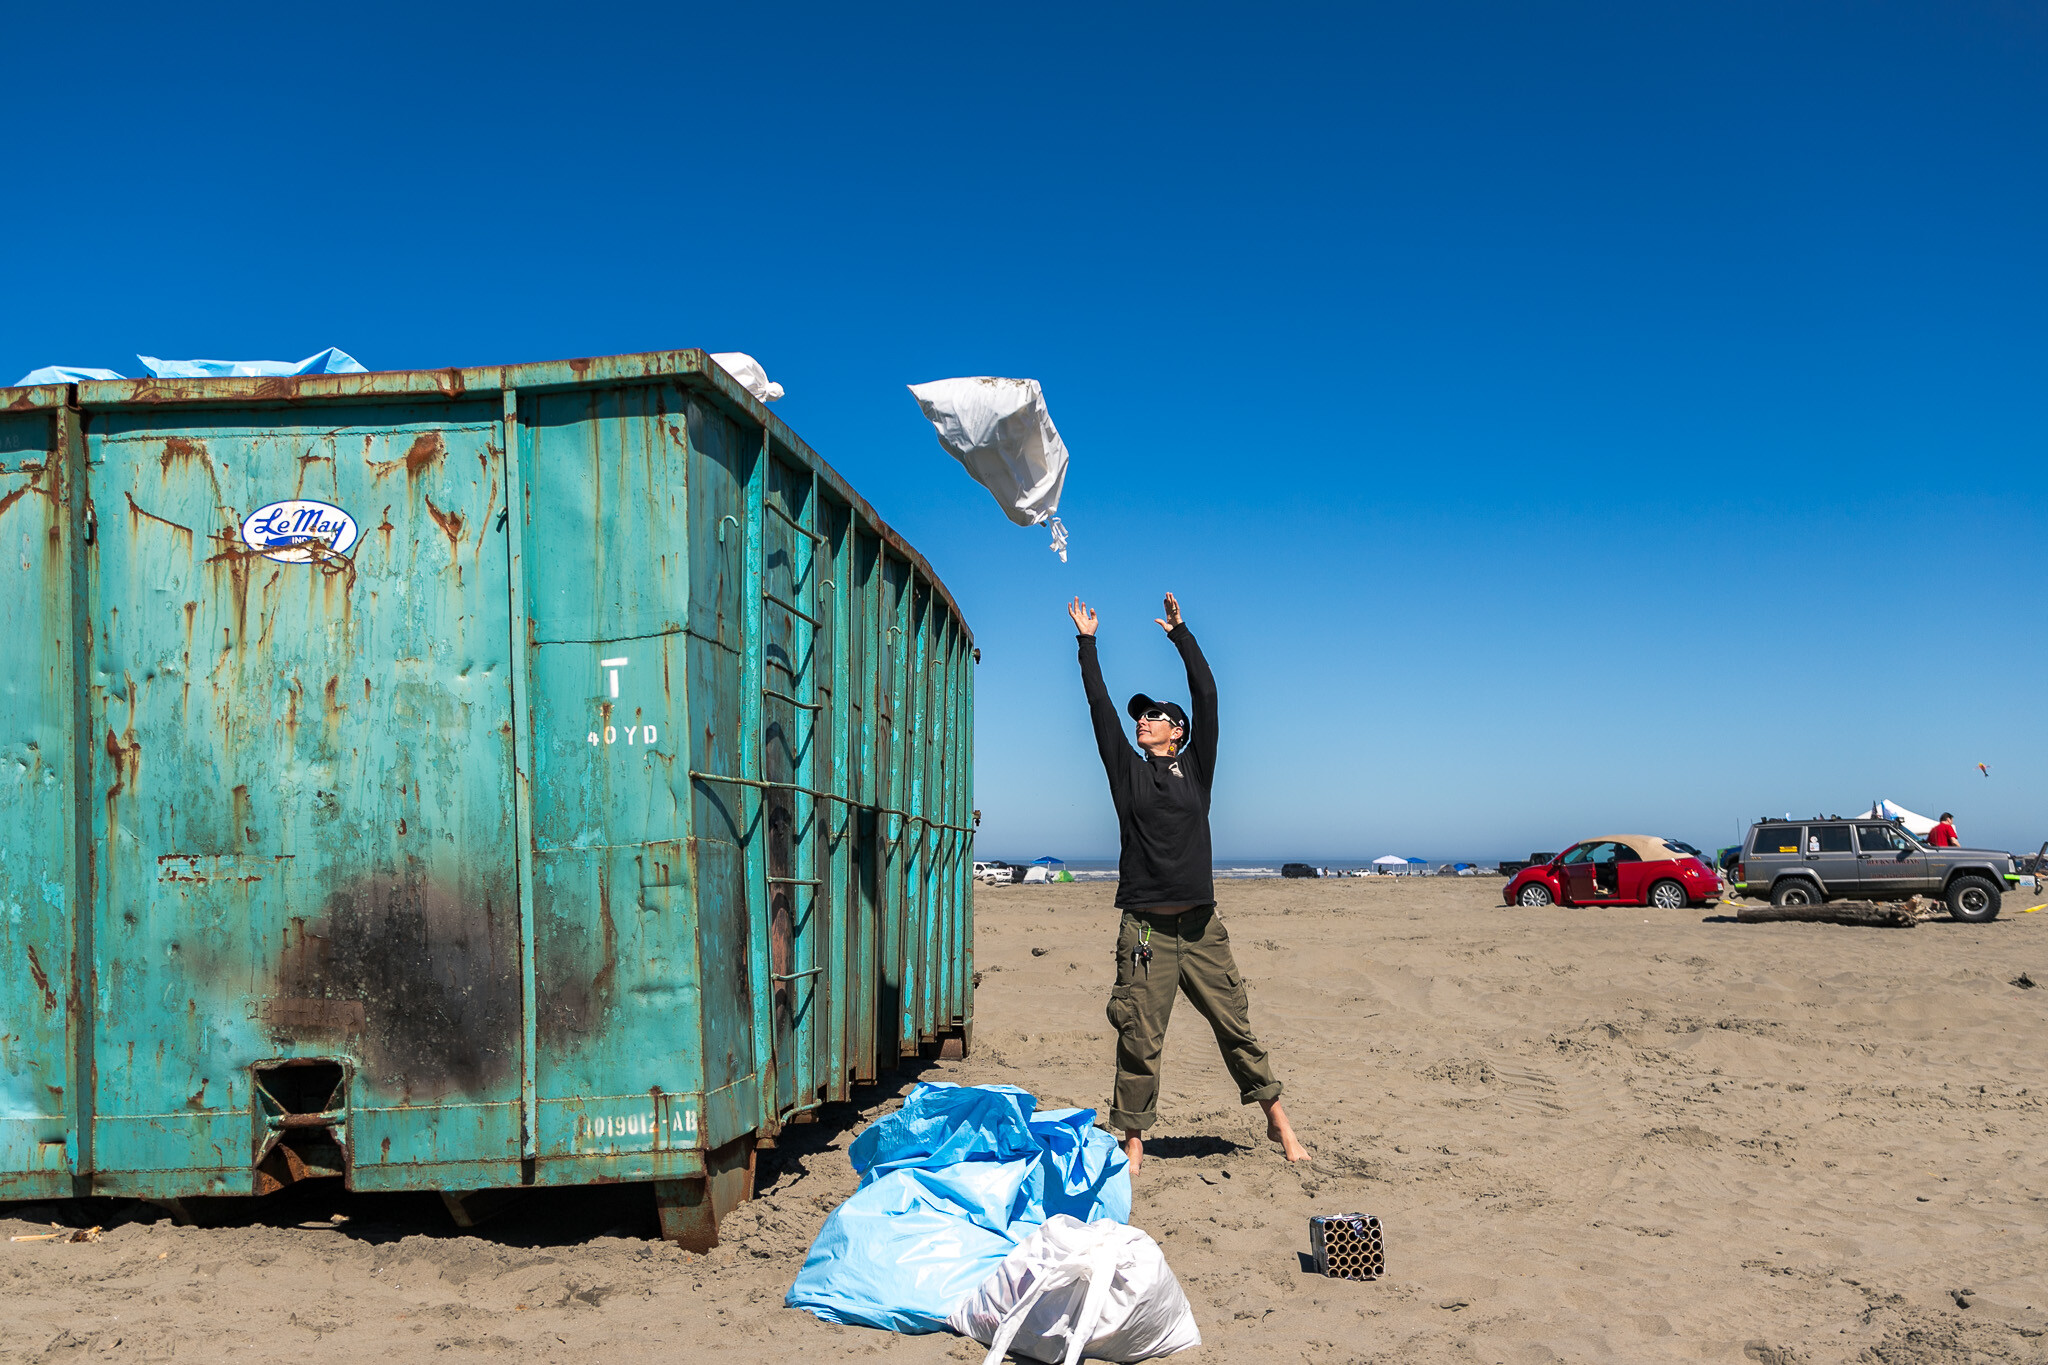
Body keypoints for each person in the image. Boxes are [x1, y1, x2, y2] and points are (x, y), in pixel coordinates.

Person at [1067, 590, 1309, 1176]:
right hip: (1146, 930)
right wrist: (1087, 644)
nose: (1142, 721)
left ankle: (1279, 1123)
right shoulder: (1128, 772)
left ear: (1177, 731)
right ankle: (1132, 1144)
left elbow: (1208, 694)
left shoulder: (1196, 768)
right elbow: (1101, 708)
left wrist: (1181, 634)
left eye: (1154, 716)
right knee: (1139, 1038)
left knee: (1236, 1026)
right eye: (1141, 717)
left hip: (1202, 928)